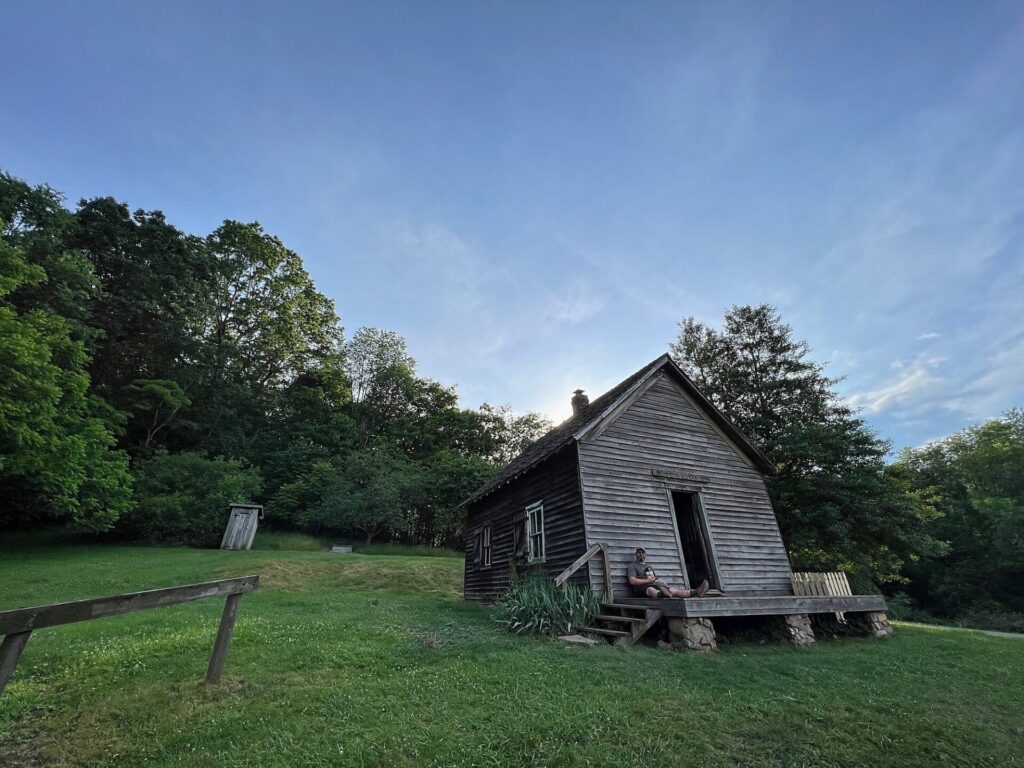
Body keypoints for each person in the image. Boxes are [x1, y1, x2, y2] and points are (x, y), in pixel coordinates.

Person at [626, 547, 709, 599]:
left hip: (653, 584)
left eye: (642, 553)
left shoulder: (649, 566)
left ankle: (696, 592)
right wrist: (647, 581)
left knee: (673, 590)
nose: (641, 554)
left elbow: (654, 578)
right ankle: (662, 594)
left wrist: (660, 581)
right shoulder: (632, 566)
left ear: (645, 555)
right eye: (639, 553)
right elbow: (632, 581)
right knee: (651, 590)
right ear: (636, 554)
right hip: (640, 589)